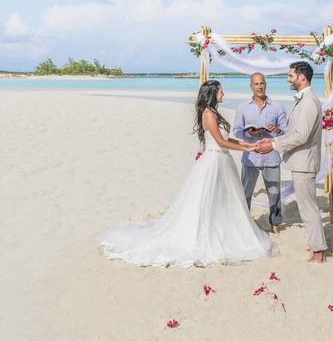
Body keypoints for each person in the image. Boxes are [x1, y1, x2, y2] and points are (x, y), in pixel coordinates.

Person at [99, 80, 273, 267]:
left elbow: (225, 138)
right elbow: (220, 142)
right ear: (213, 93)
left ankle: (223, 229)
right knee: (207, 199)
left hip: (223, 160)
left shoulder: (214, 112)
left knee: (223, 200)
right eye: (221, 91)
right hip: (214, 161)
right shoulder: (208, 114)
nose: (224, 94)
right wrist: (248, 150)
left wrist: (248, 145)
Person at [255, 62, 327, 262]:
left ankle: (319, 252)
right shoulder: (304, 100)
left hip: (305, 163)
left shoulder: (309, 101)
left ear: (302, 77)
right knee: (307, 205)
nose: (288, 79)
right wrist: (274, 138)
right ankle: (316, 245)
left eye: (290, 76)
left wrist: (274, 145)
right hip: (301, 162)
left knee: (308, 207)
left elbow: (301, 136)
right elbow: (295, 132)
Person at [232, 72, 287, 233]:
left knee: (274, 192)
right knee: (246, 191)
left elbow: (286, 133)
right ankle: (243, 223)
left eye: (262, 83)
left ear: (266, 84)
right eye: (256, 84)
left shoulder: (277, 106)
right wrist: (250, 134)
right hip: (251, 157)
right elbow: (236, 131)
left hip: (271, 157)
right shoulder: (243, 107)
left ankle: (275, 224)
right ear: (251, 86)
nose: (259, 86)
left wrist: (277, 130)